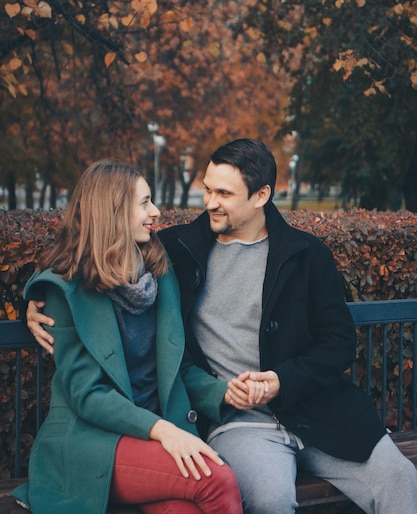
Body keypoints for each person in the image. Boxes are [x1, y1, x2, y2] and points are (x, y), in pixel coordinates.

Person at [27, 141, 417, 514]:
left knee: (402, 480)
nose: (210, 203)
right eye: (208, 190)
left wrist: (282, 380)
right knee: (269, 500)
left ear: (261, 195)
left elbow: (339, 342)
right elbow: (92, 252)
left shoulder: (306, 254)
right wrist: (39, 299)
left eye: (225, 195)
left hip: (319, 410)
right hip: (238, 422)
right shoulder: (174, 251)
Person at [14, 160, 243, 514]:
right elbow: (88, 395)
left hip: (155, 435)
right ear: (112, 211)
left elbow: (175, 368)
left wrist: (227, 392)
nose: (155, 212)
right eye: (144, 203)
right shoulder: (65, 288)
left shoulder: (156, 270)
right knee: (217, 478)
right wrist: (163, 431)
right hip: (93, 442)